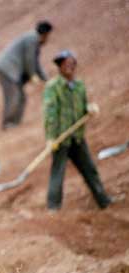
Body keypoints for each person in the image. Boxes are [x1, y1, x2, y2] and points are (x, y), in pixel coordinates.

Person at [44, 50, 113, 211]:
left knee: (89, 169)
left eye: (71, 63)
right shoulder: (53, 88)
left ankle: (103, 200)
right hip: (61, 139)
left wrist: (90, 108)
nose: (69, 67)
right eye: (65, 64)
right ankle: (53, 207)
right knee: (58, 173)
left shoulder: (79, 85)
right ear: (60, 67)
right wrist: (50, 138)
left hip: (77, 137)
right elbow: (50, 114)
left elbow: (83, 106)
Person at [0, 21, 53, 130]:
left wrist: (47, 80)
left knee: (21, 97)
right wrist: (32, 75)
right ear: (45, 34)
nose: (48, 39)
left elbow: (36, 64)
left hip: (11, 71)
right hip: (7, 70)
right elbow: (29, 60)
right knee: (13, 96)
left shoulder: (33, 39)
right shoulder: (32, 39)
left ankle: (15, 123)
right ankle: (7, 124)